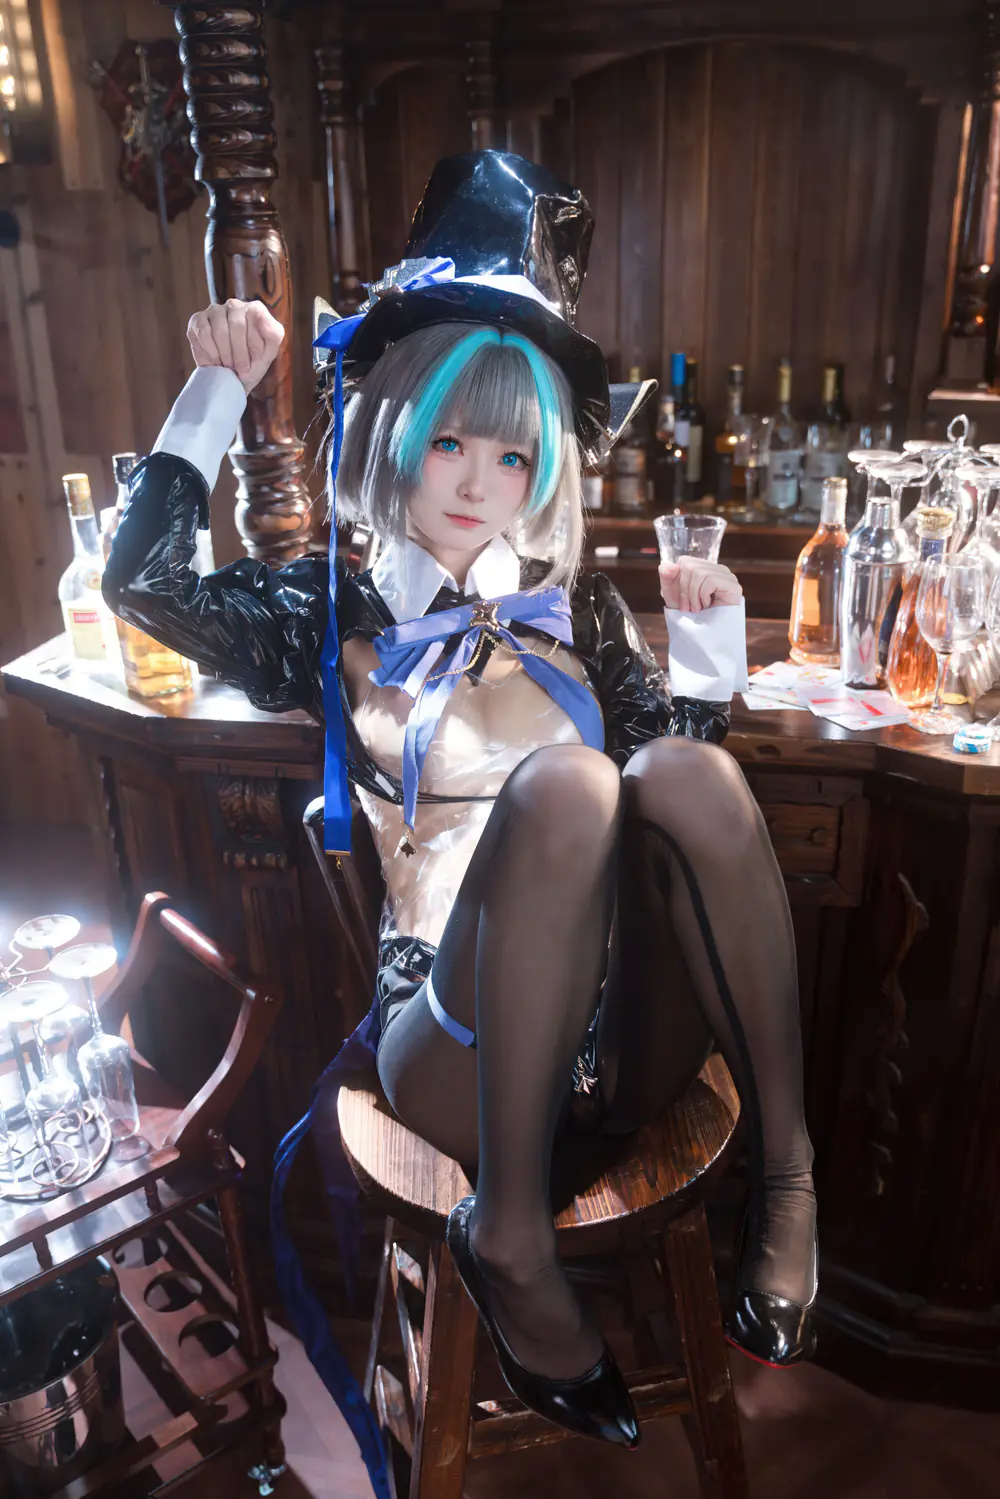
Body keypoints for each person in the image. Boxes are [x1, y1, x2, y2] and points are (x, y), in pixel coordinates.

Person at [104, 152, 816, 1472]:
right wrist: (217, 390)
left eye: (512, 450)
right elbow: (141, 583)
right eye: (448, 439)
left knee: (684, 778)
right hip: (452, 1048)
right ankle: (510, 1236)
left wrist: (709, 668)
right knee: (572, 785)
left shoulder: (578, 609)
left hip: (618, 1040)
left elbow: (683, 835)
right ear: (393, 428)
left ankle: (790, 1172)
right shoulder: (326, 608)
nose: (478, 479)